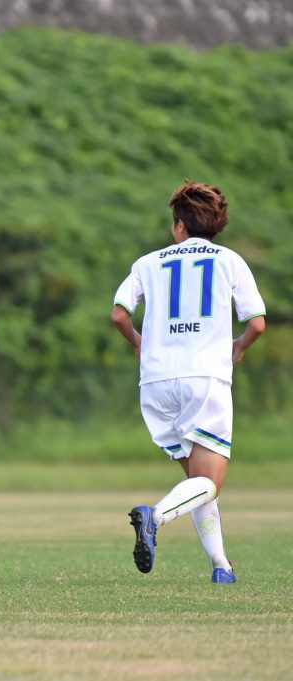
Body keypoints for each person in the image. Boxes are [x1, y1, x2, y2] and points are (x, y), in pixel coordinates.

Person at [112, 180, 265, 583]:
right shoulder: (229, 260)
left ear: (179, 225)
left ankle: (221, 567)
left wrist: (138, 343)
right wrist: (240, 347)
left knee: (197, 482)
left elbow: (119, 314)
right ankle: (155, 517)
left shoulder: (148, 262)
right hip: (205, 377)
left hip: (157, 381)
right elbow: (257, 323)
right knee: (209, 483)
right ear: (216, 225)